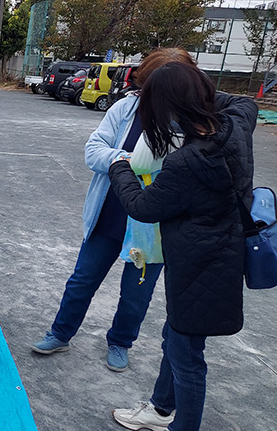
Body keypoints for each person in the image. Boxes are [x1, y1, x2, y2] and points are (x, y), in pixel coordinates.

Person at [107, 63, 256, 431]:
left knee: (186, 355)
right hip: (223, 255)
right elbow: (241, 101)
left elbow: (143, 207)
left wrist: (119, 166)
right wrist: (195, 96)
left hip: (196, 266)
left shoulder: (187, 162)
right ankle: (160, 409)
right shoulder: (236, 124)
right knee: (177, 338)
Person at [31, 48, 198, 372]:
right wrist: (126, 160)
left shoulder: (189, 121)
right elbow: (94, 151)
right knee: (82, 280)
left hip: (153, 227)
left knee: (136, 295)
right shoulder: (126, 109)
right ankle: (61, 333)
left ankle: (121, 341)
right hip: (111, 214)